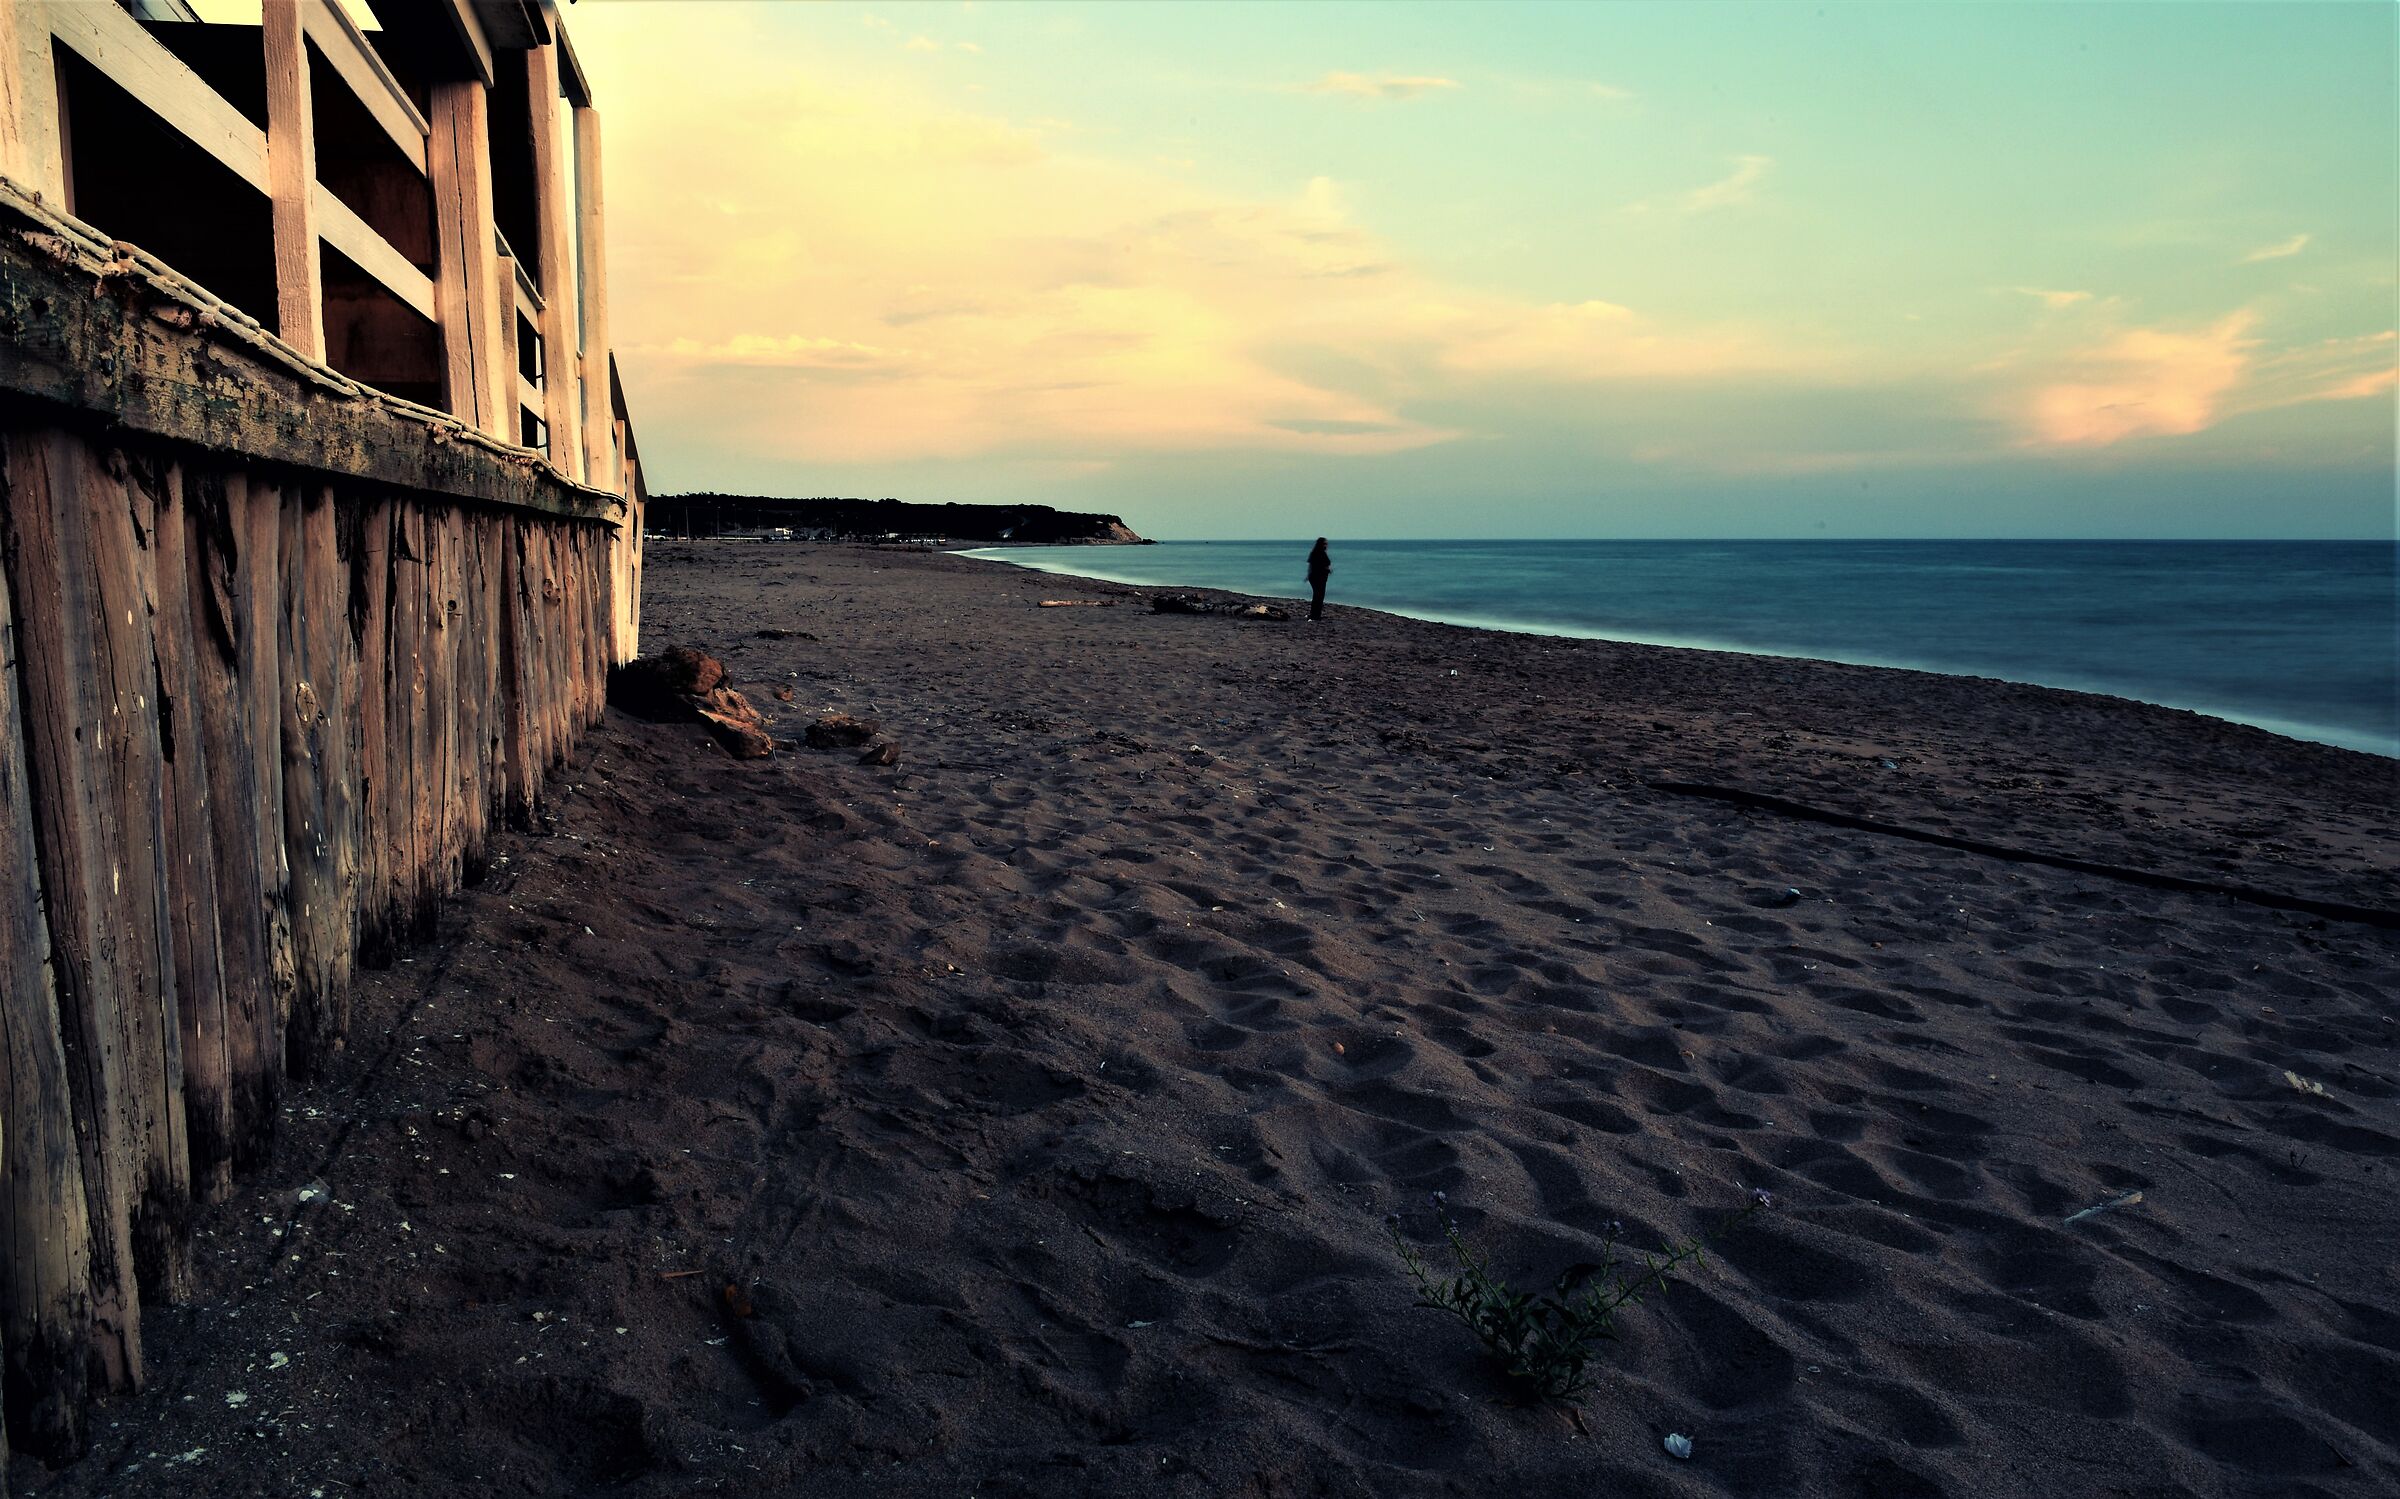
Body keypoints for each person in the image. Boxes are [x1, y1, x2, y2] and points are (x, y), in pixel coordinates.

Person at [1305, 537, 1331, 621]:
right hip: (1318, 577)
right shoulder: (1319, 553)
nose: (1326, 545)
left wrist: (1308, 575)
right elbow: (1313, 566)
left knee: (1317, 596)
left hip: (1317, 577)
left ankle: (1315, 614)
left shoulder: (1316, 552)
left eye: (1326, 544)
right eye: (1324, 544)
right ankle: (1315, 615)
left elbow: (1311, 565)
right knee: (1319, 596)